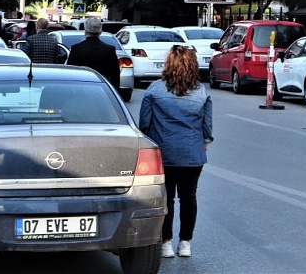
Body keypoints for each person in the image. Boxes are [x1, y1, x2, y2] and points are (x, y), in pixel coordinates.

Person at [138, 45, 213, 259]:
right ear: (193, 66)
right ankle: (186, 243)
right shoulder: (201, 92)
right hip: (192, 154)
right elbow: (207, 127)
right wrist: (204, 142)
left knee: (166, 198)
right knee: (189, 197)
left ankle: (166, 243)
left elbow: (144, 124)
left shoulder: (154, 89)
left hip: (163, 153)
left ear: (168, 64)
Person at [67, 18, 120, 91]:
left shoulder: (76, 48)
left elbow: (70, 72)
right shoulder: (109, 50)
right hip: (101, 89)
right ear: (100, 31)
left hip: (80, 88)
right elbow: (115, 75)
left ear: (85, 30)